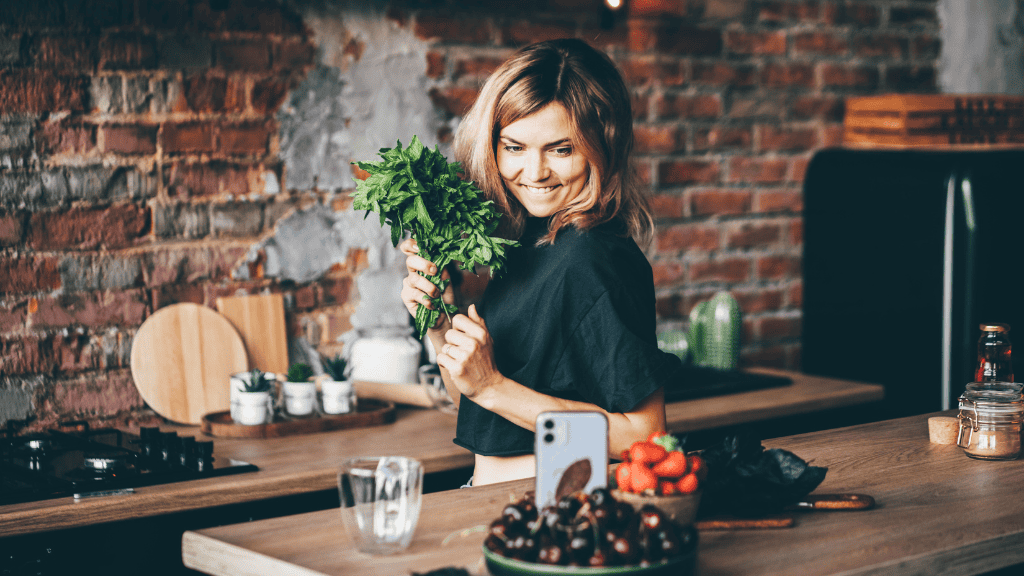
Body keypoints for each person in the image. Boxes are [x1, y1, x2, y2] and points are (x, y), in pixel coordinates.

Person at [399, 38, 681, 486]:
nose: (534, 173)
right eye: (514, 148)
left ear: (603, 144)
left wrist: (493, 386)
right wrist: (439, 323)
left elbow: (644, 435)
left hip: (557, 504)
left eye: (561, 149)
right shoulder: (532, 241)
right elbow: (475, 401)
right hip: (498, 498)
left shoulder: (593, 258)